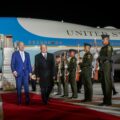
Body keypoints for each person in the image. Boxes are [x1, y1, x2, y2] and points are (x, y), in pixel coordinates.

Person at [98, 34, 113, 106]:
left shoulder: (109, 47)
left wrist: (100, 57)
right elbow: (101, 57)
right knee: (103, 84)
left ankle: (108, 101)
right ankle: (105, 100)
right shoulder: (103, 48)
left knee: (107, 84)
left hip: (107, 66)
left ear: (107, 39)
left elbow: (108, 57)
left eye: (103, 39)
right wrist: (97, 57)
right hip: (102, 66)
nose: (102, 41)